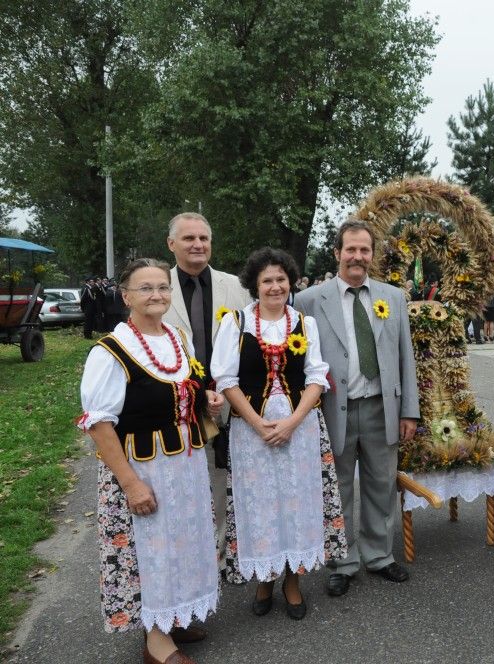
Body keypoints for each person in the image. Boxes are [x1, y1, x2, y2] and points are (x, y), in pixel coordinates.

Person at [78, 258, 224, 664]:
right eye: (145, 288)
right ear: (126, 296)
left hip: (187, 465)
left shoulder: (177, 338)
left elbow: (183, 388)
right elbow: (99, 425)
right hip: (145, 468)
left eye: (162, 286)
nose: (156, 294)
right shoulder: (110, 350)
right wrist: (131, 484)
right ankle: (156, 642)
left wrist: (203, 399)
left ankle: (176, 616)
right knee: (153, 550)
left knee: (185, 544)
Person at [212, 248, 347, 619]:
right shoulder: (236, 323)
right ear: (255, 286)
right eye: (267, 280)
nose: (275, 286)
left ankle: (292, 580)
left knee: (297, 501)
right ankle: (264, 576)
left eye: (281, 279)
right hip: (250, 429)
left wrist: (291, 422)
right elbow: (225, 378)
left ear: (291, 282)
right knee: (259, 504)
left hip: (299, 427)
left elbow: (317, 377)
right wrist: (258, 424)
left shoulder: (306, 323)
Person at [294, 217, 420, 596]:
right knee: (339, 486)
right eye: (351, 249)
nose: (358, 256)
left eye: (364, 250)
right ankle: (343, 561)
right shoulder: (309, 300)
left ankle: (380, 555)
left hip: (383, 408)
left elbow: (405, 357)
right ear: (337, 253)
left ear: (372, 255)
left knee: (382, 485)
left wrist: (409, 410)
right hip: (335, 408)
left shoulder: (392, 298)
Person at [163, 212, 252, 468]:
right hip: (176, 408)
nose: (198, 244)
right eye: (189, 238)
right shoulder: (157, 288)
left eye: (204, 238)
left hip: (232, 403)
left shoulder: (238, 287)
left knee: (230, 486)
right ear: (171, 244)